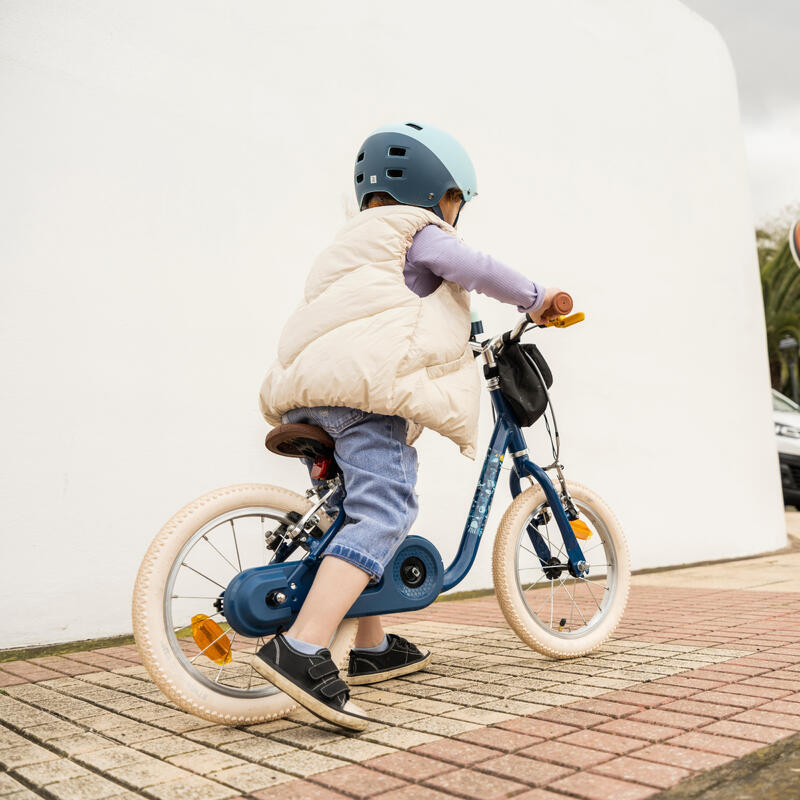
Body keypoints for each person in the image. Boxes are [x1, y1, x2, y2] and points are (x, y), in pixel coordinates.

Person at [252, 122, 564, 729]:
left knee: (354, 514)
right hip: (358, 399)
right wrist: (537, 296)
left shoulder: (349, 245)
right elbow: (474, 267)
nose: (456, 216)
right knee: (387, 509)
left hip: (306, 395)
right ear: (433, 192)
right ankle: (305, 647)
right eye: (456, 202)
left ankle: (370, 645)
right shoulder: (416, 232)